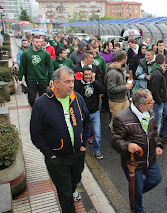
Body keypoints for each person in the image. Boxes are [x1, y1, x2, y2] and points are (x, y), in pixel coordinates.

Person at [30, 67, 91, 213]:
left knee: (73, 183)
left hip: (78, 155)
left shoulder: (77, 98)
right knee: (64, 194)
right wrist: (49, 155)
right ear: (55, 83)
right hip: (58, 159)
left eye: (73, 81)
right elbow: (35, 133)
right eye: (67, 82)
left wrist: (83, 145)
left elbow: (87, 121)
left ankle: (71, 189)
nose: (72, 85)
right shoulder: (42, 104)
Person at [111, 88, 163, 213]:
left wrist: (158, 145)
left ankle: (134, 191)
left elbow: (154, 131)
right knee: (137, 191)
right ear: (141, 106)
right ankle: (137, 209)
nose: (153, 103)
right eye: (151, 101)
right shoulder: (122, 119)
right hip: (133, 163)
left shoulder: (150, 111)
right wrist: (127, 145)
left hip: (150, 158)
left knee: (156, 179)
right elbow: (115, 140)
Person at [74, 67, 106, 159]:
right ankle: (80, 149)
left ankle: (96, 150)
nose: (87, 76)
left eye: (89, 74)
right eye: (86, 74)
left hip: (95, 112)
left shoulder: (95, 83)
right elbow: (74, 92)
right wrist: (79, 81)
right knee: (81, 132)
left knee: (97, 133)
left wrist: (94, 81)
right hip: (82, 113)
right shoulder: (79, 84)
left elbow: (103, 90)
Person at [18, 35, 54, 107]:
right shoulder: (26, 53)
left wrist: (51, 78)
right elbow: (22, 66)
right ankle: (35, 110)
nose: (39, 44)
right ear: (32, 42)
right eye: (37, 42)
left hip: (42, 79)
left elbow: (50, 66)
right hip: (31, 80)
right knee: (31, 99)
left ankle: (42, 112)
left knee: (44, 99)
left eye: (40, 42)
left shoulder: (45, 53)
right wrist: (20, 78)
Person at [106, 51, 133, 129]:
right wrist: (126, 87)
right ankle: (115, 139)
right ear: (123, 60)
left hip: (124, 99)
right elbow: (111, 89)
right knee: (116, 122)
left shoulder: (120, 70)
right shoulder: (112, 73)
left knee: (126, 120)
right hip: (116, 102)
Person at [149, 54, 167, 144]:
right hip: (160, 101)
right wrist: (159, 101)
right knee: (157, 122)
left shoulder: (159, 71)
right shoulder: (157, 74)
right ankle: (155, 140)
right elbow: (154, 90)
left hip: (163, 100)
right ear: (164, 62)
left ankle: (162, 135)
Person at [156, 40, 167, 104]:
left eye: (162, 45)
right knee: (158, 91)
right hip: (158, 76)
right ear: (157, 46)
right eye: (160, 45)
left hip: (166, 76)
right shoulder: (155, 54)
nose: (161, 47)